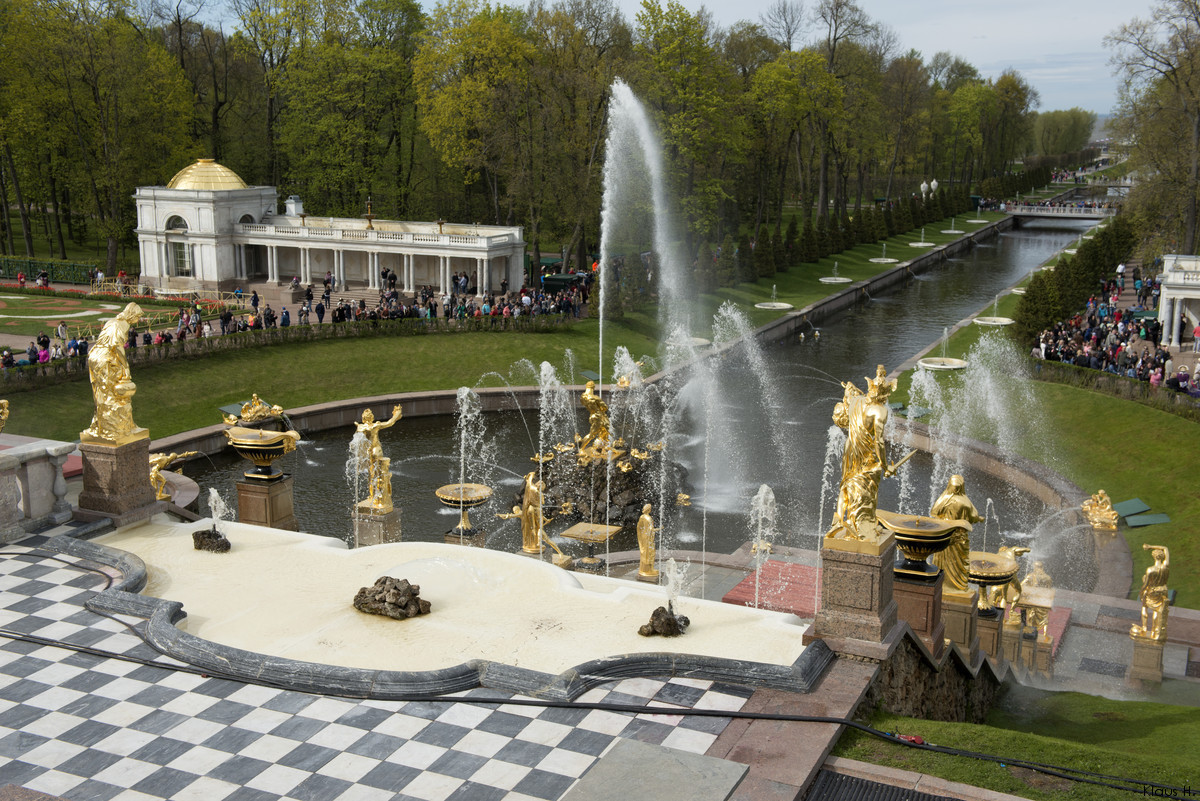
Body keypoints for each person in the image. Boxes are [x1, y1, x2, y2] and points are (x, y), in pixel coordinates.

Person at [827, 365, 897, 541]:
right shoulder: (880, 411)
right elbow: (879, 441)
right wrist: (885, 465)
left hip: (851, 449)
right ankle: (862, 528)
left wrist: (850, 388)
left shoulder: (857, 401)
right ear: (885, 394)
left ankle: (839, 521)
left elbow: (850, 398)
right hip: (867, 456)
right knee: (867, 488)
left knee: (847, 484)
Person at [81, 302, 146, 443]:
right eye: (138, 317)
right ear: (132, 314)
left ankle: (112, 425)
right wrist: (126, 366)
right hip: (104, 359)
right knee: (108, 394)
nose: (138, 320)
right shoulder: (120, 324)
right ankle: (110, 428)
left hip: (99, 357)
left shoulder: (115, 322)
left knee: (104, 393)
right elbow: (117, 347)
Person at [929, 474, 984, 592]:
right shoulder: (965, 501)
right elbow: (974, 517)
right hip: (959, 537)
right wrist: (979, 519)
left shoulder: (945, 498)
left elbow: (934, 512)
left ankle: (940, 585)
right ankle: (958, 586)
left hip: (944, 535)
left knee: (942, 562)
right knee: (959, 564)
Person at [1130, 545, 1170, 641]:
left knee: (1144, 607)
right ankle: (1154, 630)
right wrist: (1151, 546)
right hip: (1163, 591)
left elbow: (1145, 584)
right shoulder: (1166, 566)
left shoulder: (1150, 570)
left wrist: (1141, 592)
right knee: (1157, 610)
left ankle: (1144, 627)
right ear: (1162, 556)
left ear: (1153, 556)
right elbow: (1165, 548)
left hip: (1152, 592)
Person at [637, 504, 659, 579]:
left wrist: (643, 534)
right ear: (649, 509)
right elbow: (650, 529)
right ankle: (647, 570)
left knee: (647, 552)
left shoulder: (643, 517)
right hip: (647, 538)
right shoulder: (646, 518)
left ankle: (647, 569)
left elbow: (639, 527)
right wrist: (659, 529)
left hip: (646, 537)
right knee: (649, 552)